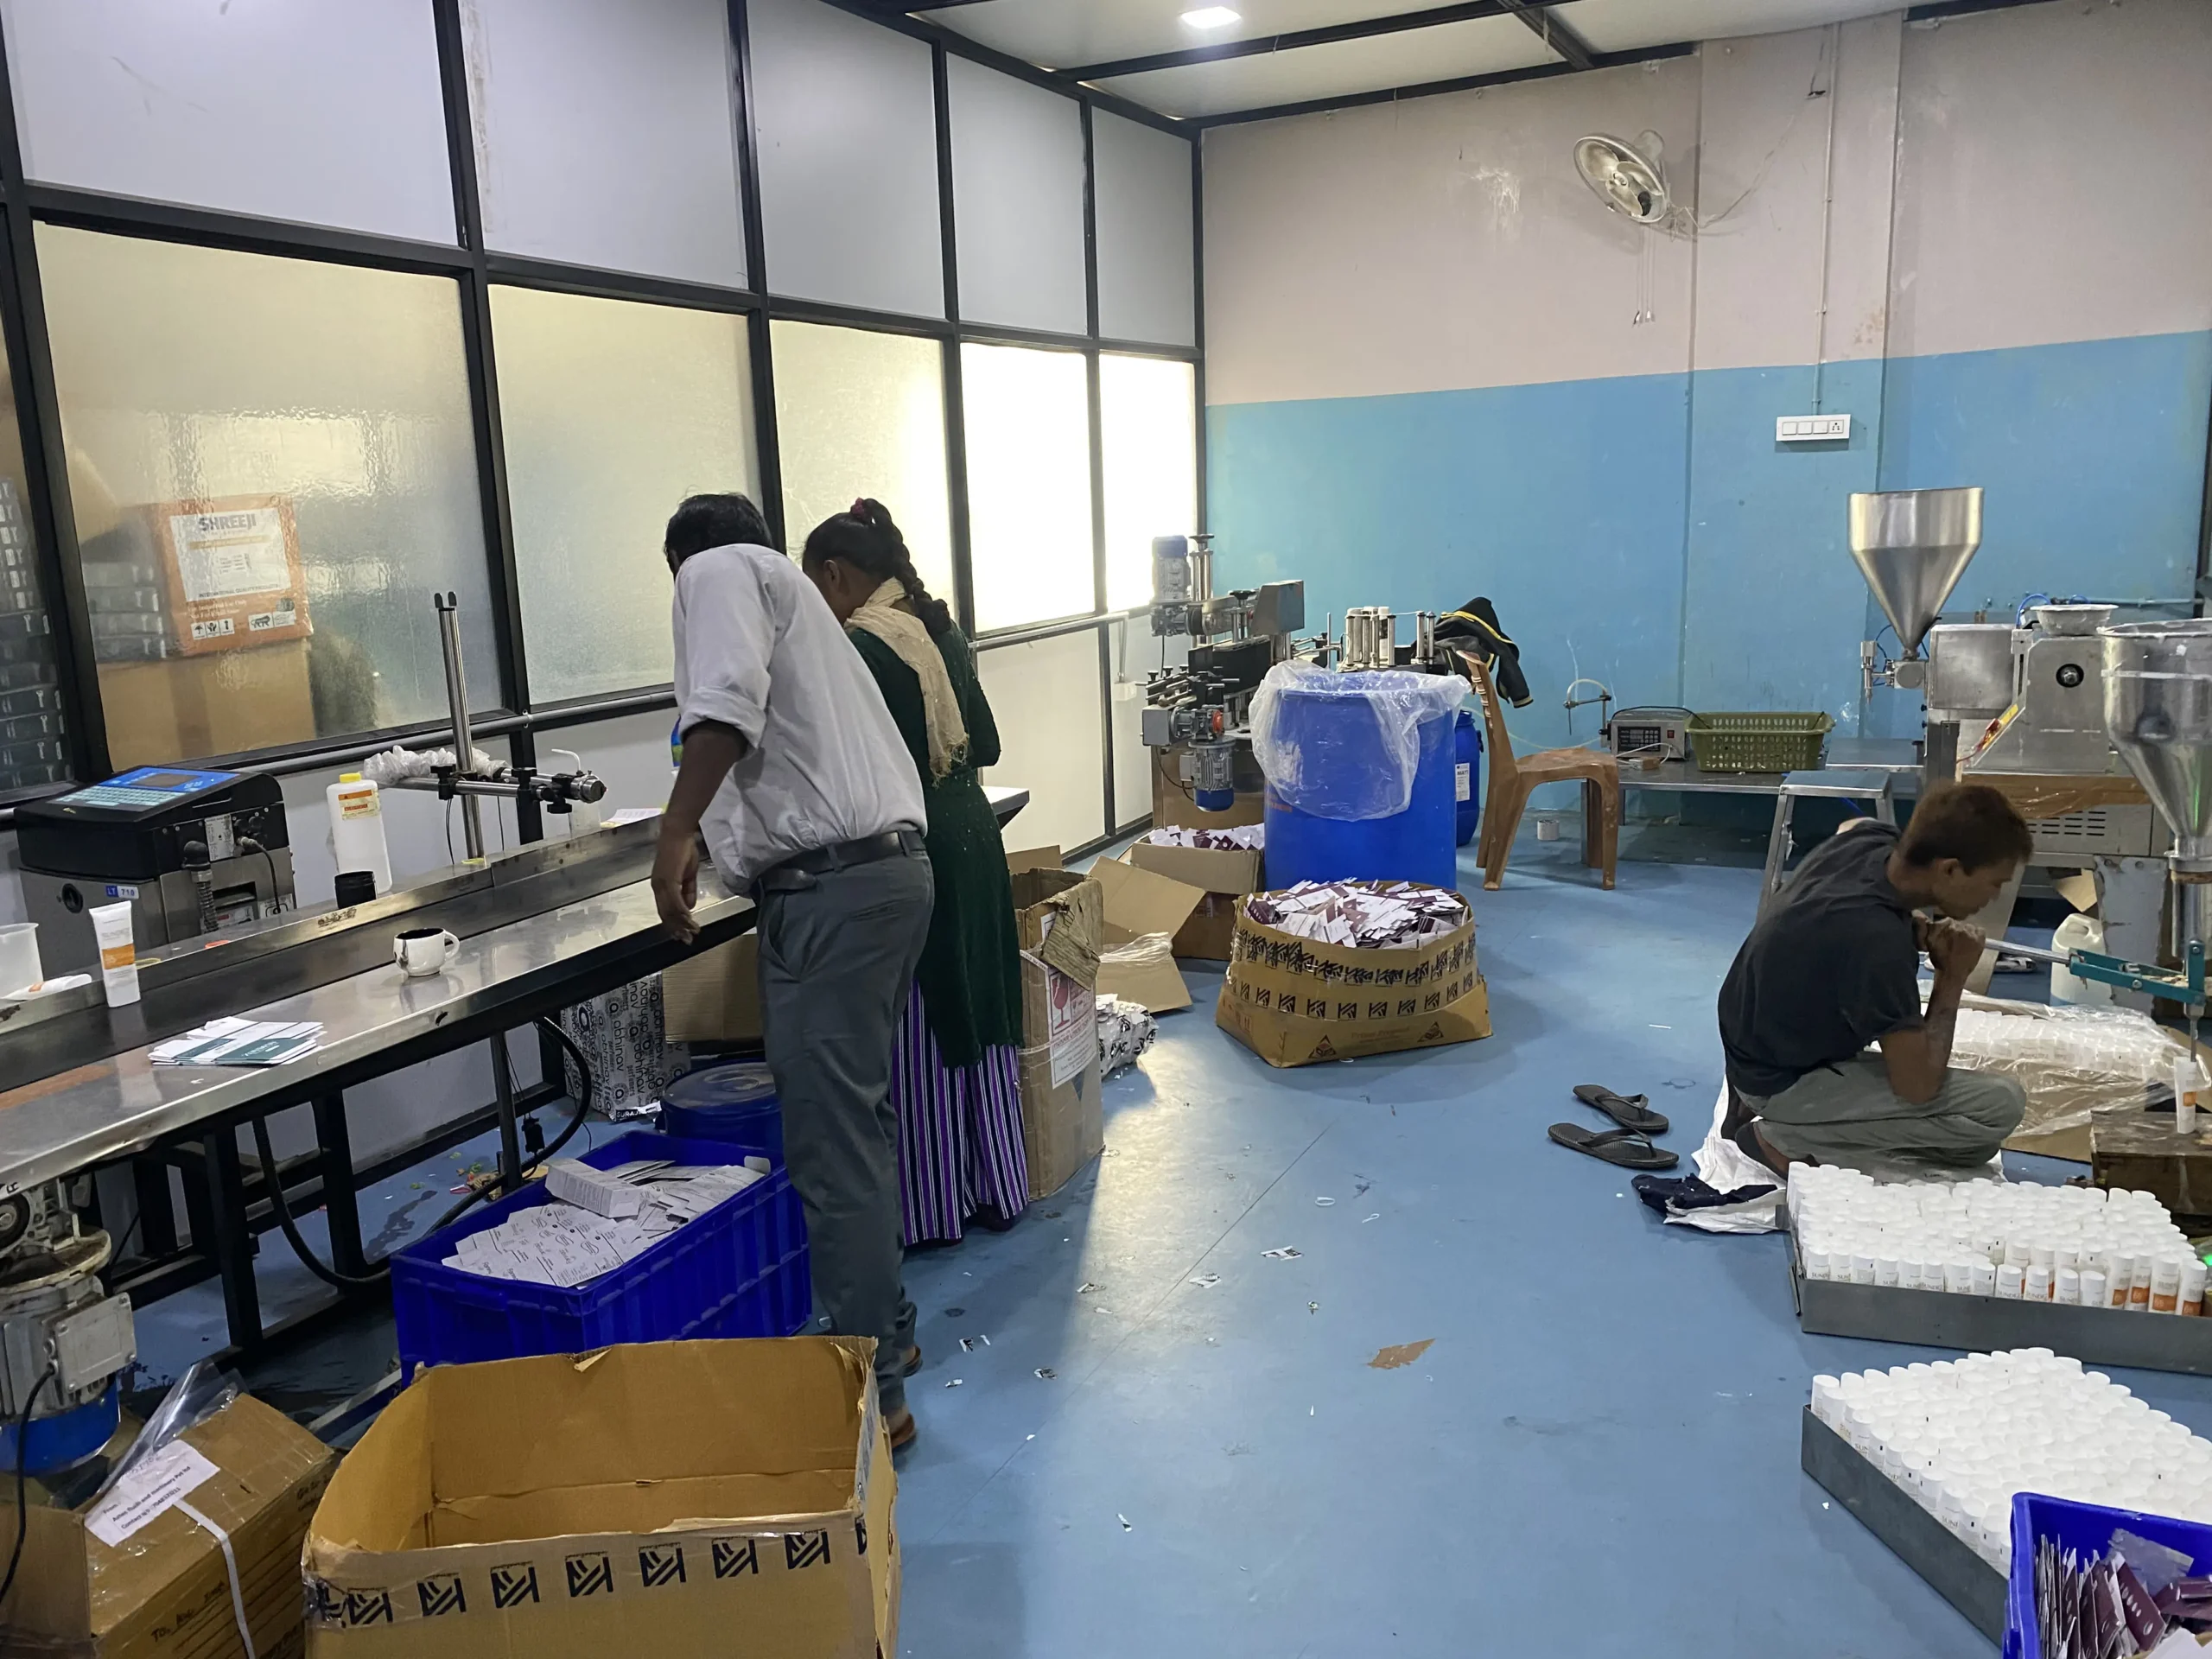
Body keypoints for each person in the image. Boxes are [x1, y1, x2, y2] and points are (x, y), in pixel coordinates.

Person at [651, 492, 933, 1449]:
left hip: (832, 897)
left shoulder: (717, 568)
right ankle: (887, 1330)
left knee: (829, 1144)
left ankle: (868, 1392)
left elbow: (722, 708)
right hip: (888, 880)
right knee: (858, 1125)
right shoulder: (803, 601)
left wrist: (676, 829)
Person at [801, 499, 1028, 1245]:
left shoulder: (862, 650)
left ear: (836, 576)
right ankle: (997, 1182)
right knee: (984, 1000)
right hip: (975, 835)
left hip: (910, 849)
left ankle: (931, 1209)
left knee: (922, 1020)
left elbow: (841, 772)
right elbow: (986, 741)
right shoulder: (941, 628)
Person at [1718, 782, 2034, 1173]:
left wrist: (1909, 919)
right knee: (1999, 1106)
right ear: (1950, 869)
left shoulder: (1871, 842)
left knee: (1976, 1148)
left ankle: (1782, 1115)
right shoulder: (1876, 941)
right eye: (1995, 883)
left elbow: (1852, 823)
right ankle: (1782, 1140)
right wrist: (1951, 977)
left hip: (1753, 1044)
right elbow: (1918, 1087)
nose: (1994, 897)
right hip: (1778, 1079)